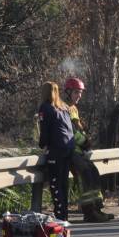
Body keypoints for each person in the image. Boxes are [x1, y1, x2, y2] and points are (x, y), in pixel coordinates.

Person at [62, 77, 114, 223]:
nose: (79, 95)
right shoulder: (64, 107)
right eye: (76, 92)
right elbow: (70, 131)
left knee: (94, 172)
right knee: (85, 175)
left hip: (79, 151)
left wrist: (85, 139)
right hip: (71, 151)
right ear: (68, 92)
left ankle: (97, 208)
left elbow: (77, 128)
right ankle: (89, 212)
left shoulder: (73, 108)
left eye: (80, 93)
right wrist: (85, 141)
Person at [37, 82, 75, 222]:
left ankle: (59, 215)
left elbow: (44, 130)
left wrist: (42, 145)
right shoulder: (64, 106)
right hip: (68, 148)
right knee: (64, 182)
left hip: (57, 150)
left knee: (55, 183)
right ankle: (64, 214)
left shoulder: (45, 107)